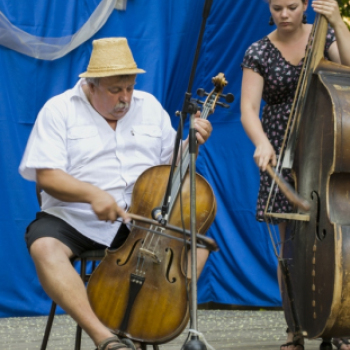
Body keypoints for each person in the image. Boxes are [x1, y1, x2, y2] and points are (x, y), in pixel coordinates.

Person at [19, 37, 212, 350]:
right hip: (74, 218)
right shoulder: (59, 110)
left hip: (138, 221)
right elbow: (48, 175)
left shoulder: (149, 107)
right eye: (115, 90)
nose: (125, 98)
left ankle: (142, 323)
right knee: (44, 247)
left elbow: (170, 168)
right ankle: (106, 338)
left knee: (198, 241)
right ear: (91, 85)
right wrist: (91, 194)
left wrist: (191, 144)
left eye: (130, 88)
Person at [240, 0, 350, 349]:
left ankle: (340, 322)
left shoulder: (325, 34)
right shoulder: (258, 51)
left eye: (291, 6)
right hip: (282, 152)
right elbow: (247, 109)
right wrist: (260, 142)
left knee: (340, 245)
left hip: (327, 150)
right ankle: (295, 328)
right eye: (276, 8)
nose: (284, 14)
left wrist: (336, 19)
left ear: (305, 5)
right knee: (291, 248)